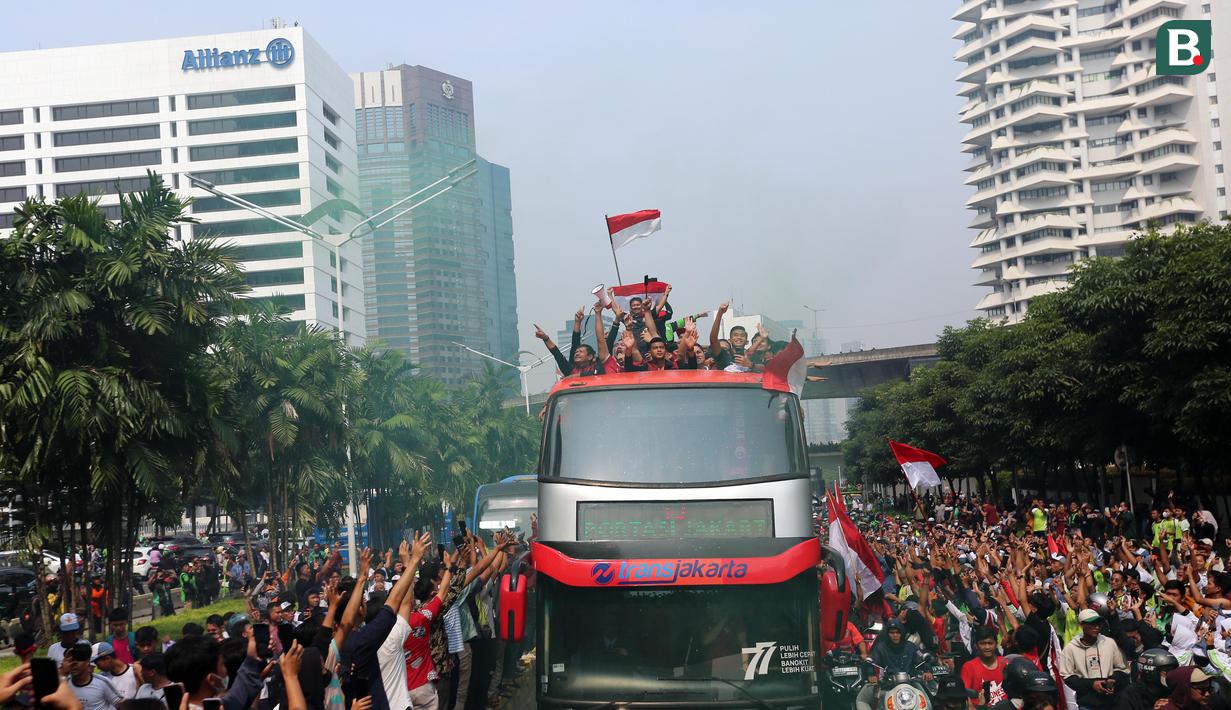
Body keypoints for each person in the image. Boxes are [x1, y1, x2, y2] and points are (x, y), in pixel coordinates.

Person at [1058, 608, 1129, 709]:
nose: (1096, 627)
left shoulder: (1109, 643)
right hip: (1086, 703)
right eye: (1092, 623)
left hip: (1111, 701)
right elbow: (1067, 677)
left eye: (1099, 623)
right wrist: (1091, 684)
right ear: (1081, 625)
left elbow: (1122, 669)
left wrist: (1113, 679)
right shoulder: (1070, 648)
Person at [857, 619, 930, 710]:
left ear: (902, 633)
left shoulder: (911, 647)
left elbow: (922, 658)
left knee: (927, 702)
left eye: (898, 632)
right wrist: (871, 674)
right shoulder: (880, 647)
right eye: (892, 632)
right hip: (885, 684)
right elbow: (871, 660)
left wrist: (927, 671)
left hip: (910, 683)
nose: (895, 635)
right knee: (861, 700)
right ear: (887, 633)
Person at [961, 626, 1008, 706]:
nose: (987, 647)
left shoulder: (1005, 663)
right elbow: (964, 695)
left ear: (996, 644)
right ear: (976, 645)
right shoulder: (969, 667)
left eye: (990, 643)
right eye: (982, 643)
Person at [67, 643, 120, 710]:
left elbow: (120, 705)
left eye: (77, 662)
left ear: (87, 662)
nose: (73, 665)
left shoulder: (103, 682)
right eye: (70, 661)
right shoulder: (65, 684)